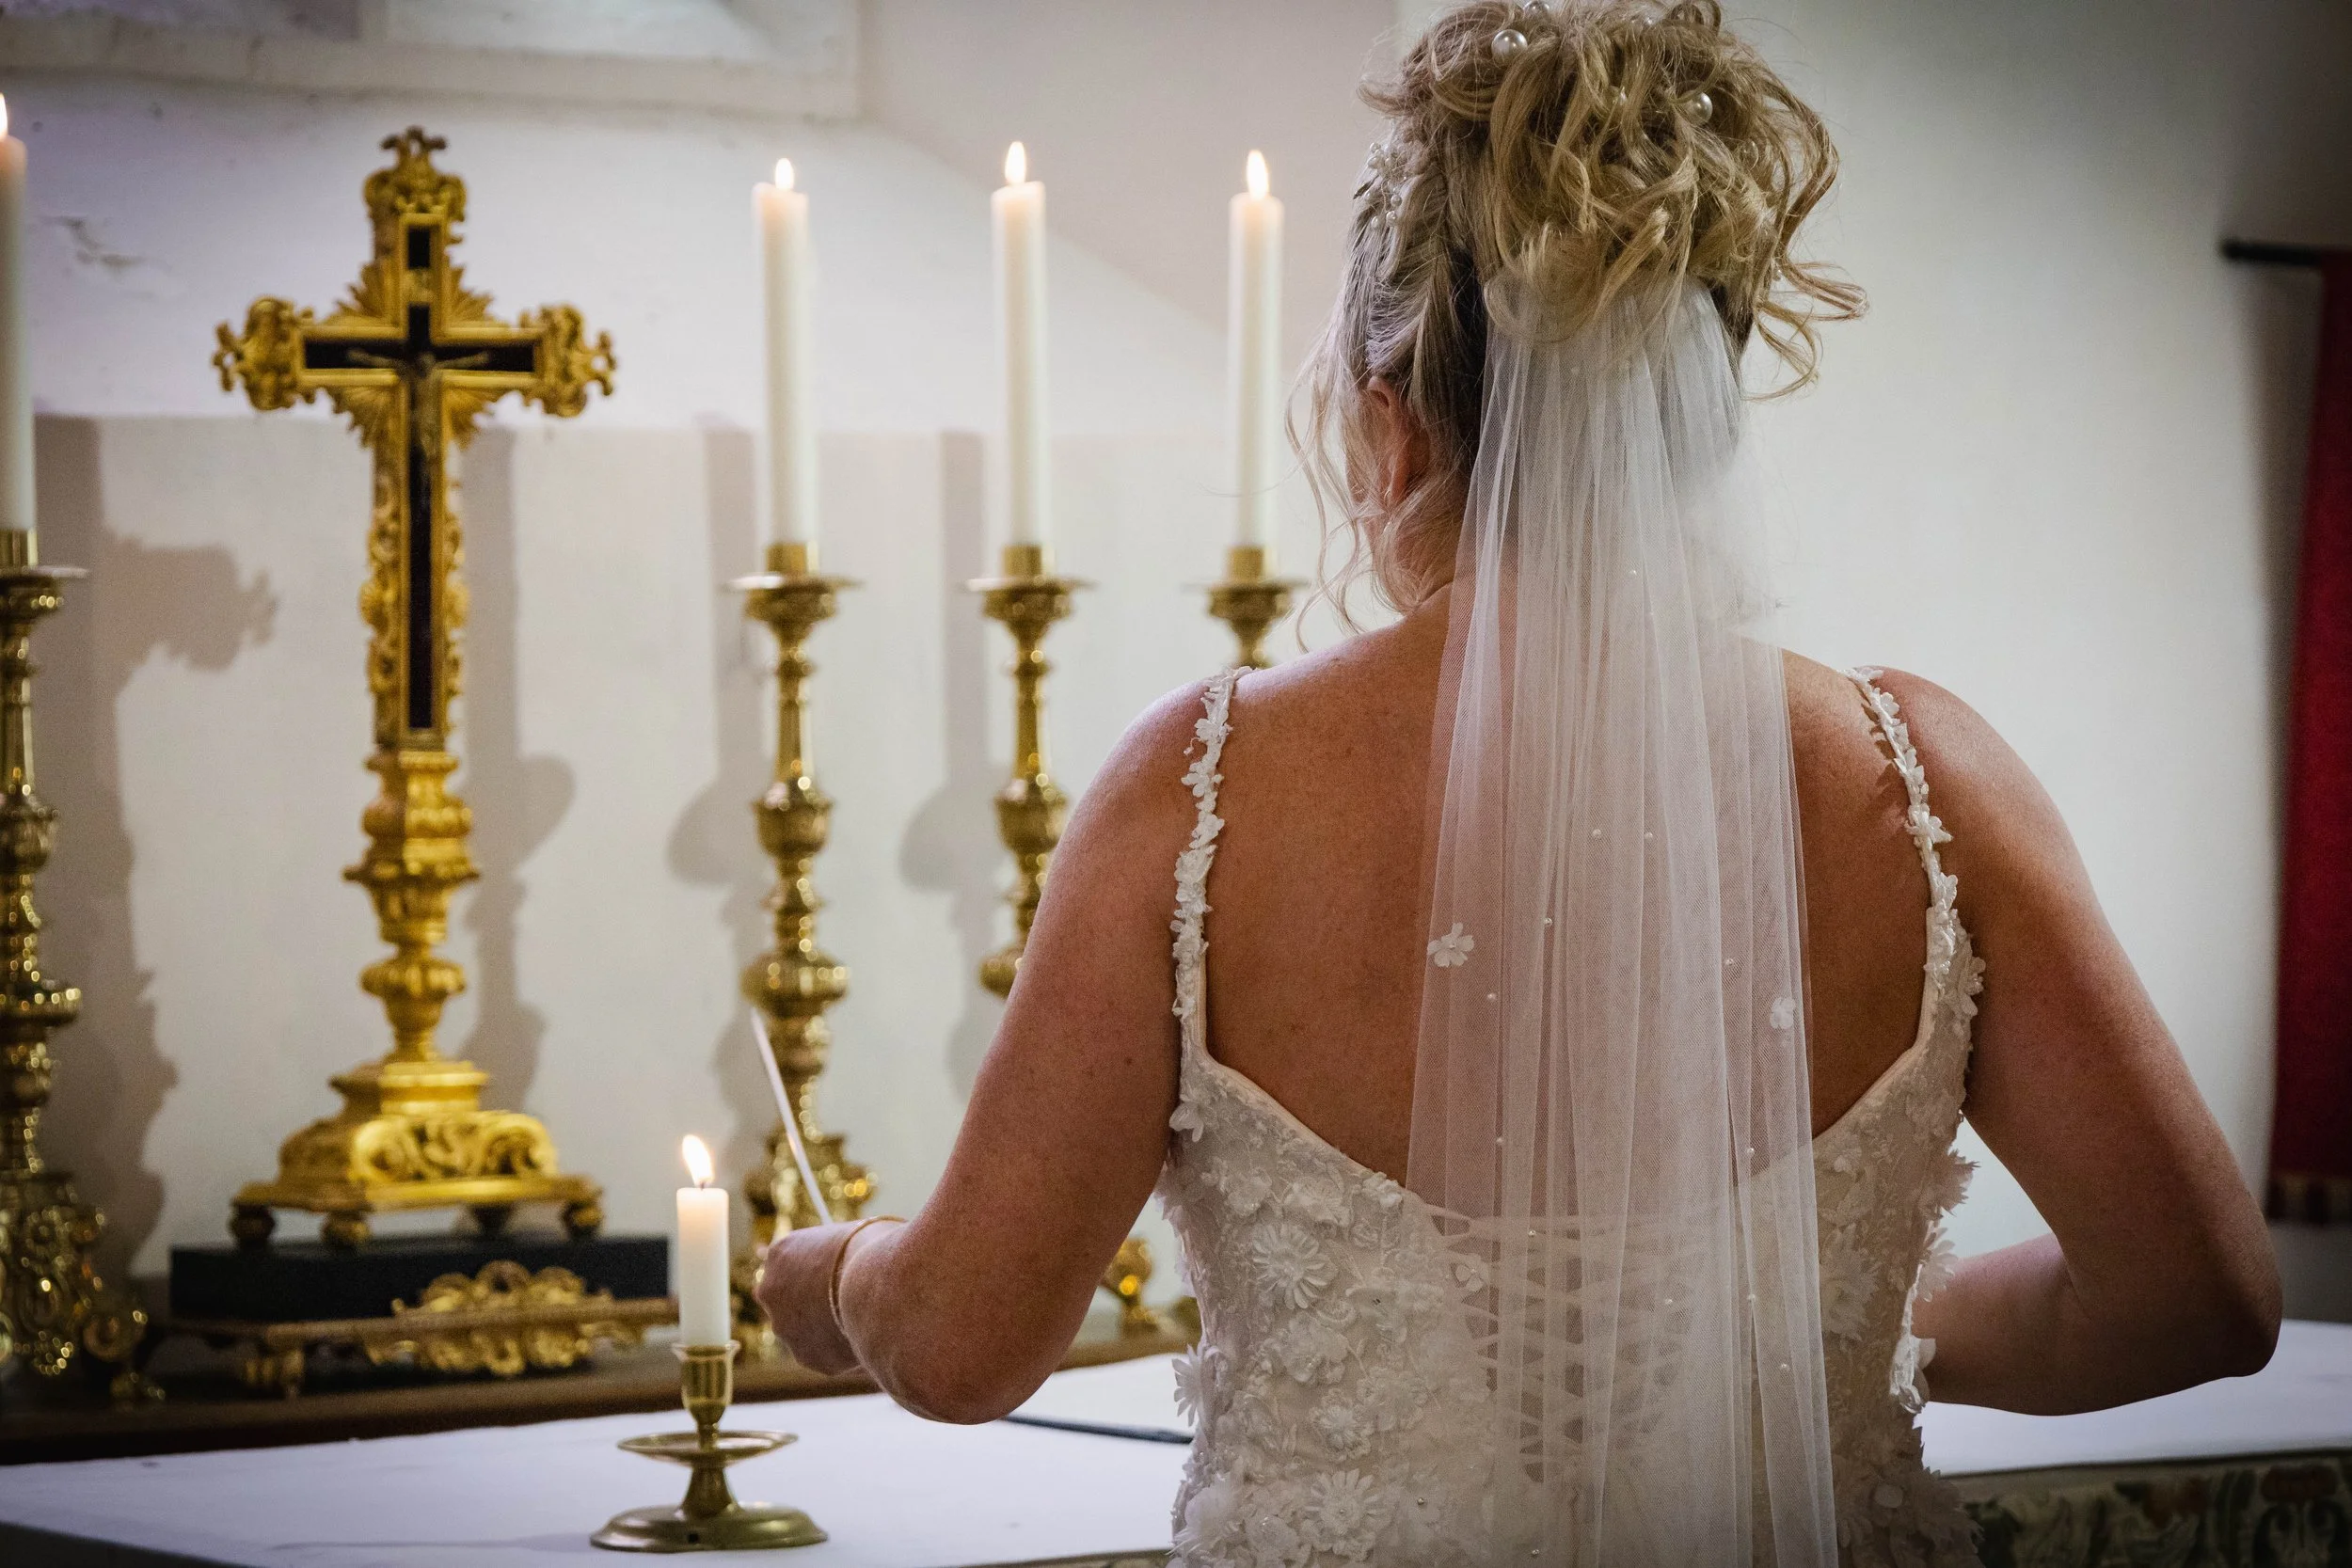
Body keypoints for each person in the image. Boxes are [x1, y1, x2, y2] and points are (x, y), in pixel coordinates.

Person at [758, 2, 2280, 1561]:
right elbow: (2200, 1300)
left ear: (1387, 418)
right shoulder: (1926, 781)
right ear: (1691, 423)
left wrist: (835, 1269)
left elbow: (959, 1343)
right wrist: (1812, 1348)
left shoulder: (1203, 792)